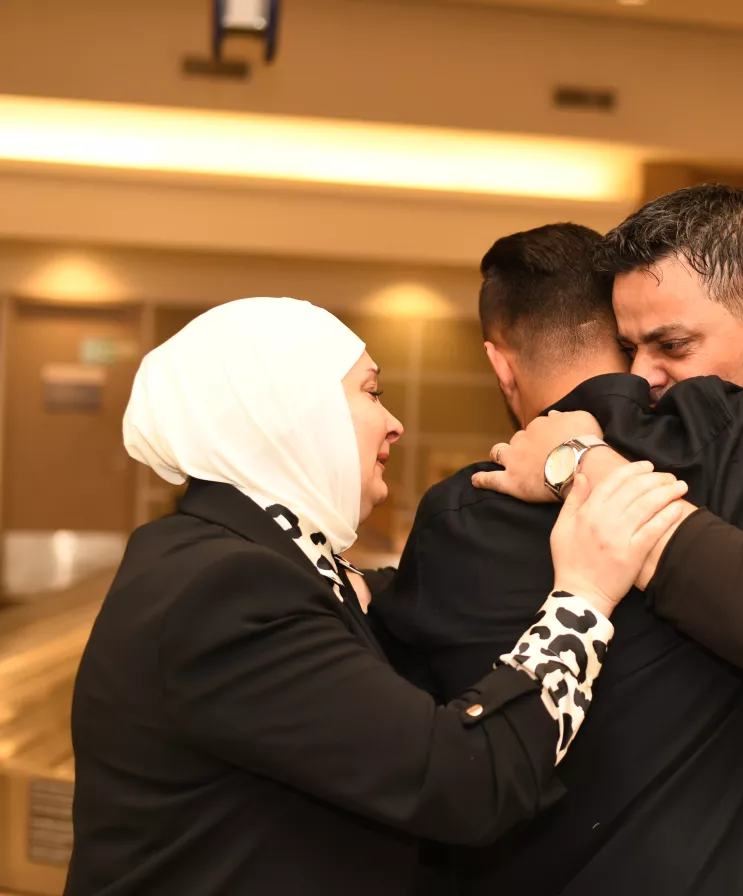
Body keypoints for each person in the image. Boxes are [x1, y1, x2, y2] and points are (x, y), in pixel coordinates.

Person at [365, 222, 743, 895]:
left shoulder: (466, 511)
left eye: (671, 345)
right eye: (630, 348)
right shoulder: (728, 457)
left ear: (501, 364)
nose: (642, 375)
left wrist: (583, 463)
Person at [65, 296, 688, 896]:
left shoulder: (230, 556)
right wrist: (582, 598)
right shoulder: (229, 591)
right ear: (290, 413)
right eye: (370, 391)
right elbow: (462, 782)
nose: (394, 424)